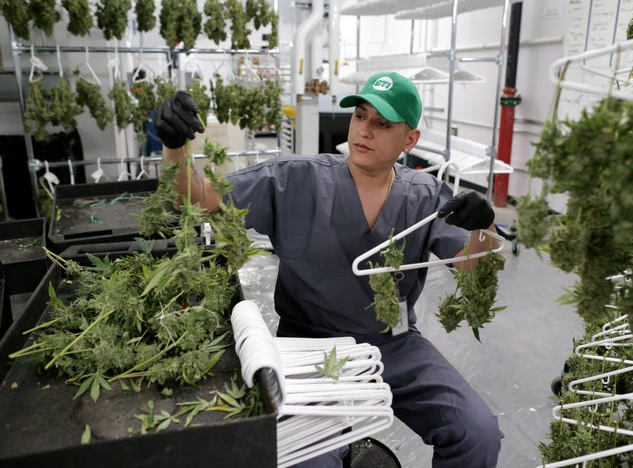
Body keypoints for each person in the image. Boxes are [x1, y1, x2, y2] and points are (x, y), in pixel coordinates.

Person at [155, 71, 503, 468]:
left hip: (392, 344)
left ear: (410, 141)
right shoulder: (294, 179)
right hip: (310, 348)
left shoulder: (426, 197)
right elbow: (199, 197)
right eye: (360, 116)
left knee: (478, 433)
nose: (364, 130)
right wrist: (175, 146)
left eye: (382, 124)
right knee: (311, 462)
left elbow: (475, 274)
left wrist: (483, 227)